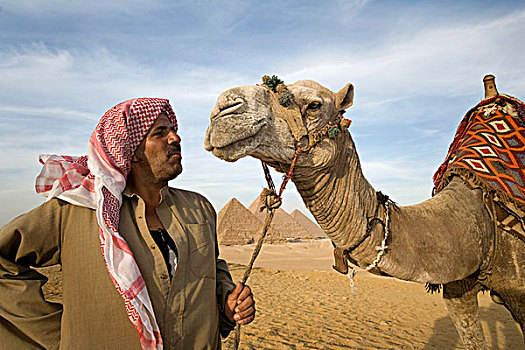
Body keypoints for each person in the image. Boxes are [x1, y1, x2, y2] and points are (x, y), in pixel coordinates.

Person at [0, 98, 255, 349]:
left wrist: (227, 300)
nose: (175, 138)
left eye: (174, 131)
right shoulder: (74, 212)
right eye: (160, 133)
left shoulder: (199, 209)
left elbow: (212, 268)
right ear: (129, 150)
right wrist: (60, 334)